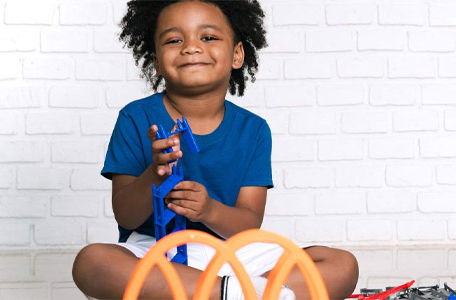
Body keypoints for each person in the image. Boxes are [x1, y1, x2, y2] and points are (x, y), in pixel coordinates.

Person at [71, 1, 359, 299]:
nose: (191, 47)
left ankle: (228, 291)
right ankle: (243, 293)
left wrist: (209, 210)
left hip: (235, 253)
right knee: (92, 262)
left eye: (207, 37)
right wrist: (153, 176)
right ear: (156, 60)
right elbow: (126, 216)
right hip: (157, 251)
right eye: (174, 40)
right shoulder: (135, 118)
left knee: (340, 264)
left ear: (237, 54)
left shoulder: (254, 129)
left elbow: (248, 224)